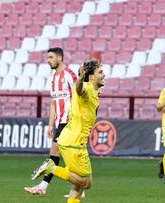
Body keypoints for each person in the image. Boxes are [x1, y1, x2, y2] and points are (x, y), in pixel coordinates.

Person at [30, 60, 105, 203]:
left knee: (79, 184)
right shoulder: (86, 89)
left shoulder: (92, 90)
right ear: (91, 76)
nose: (104, 75)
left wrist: (94, 87)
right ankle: (52, 168)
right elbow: (79, 89)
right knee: (86, 182)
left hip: (70, 140)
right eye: (100, 72)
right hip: (74, 143)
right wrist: (81, 78)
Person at [24, 47, 77, 195]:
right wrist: (50, 124)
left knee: (55, 152)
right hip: (60, 121)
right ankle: (79, 187)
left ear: (60, 58)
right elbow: (54, 102)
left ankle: (43, 187)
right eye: (47, 58)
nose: (48, 61)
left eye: (51, 57)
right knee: (70, 157)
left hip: (69, 121)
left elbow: (79, 98)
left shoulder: (70, 75)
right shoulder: (54, 78)